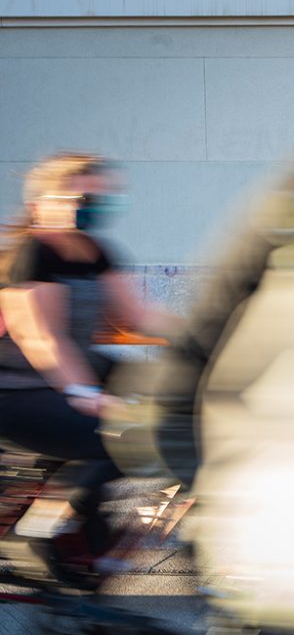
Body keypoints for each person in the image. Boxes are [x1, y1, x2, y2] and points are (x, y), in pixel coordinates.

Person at [0, 152, 169, 583]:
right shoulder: (33, 255)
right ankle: (45, 529)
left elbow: (141, 316)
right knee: (124, 436)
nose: (91, 205)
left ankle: (77, 542)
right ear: (43, 203)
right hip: (22, 390)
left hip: (75, 374)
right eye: (80, 196)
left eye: (101, 197)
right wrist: (89, 396)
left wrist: (212, 333)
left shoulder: (95, 250)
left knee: (174, 404)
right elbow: (42, 338)